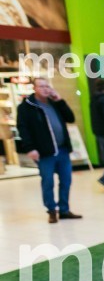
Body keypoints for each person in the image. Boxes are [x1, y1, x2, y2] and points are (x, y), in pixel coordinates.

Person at [16, 77, 81, 223]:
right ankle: (51, 210)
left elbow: (70, 118)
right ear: (34, 88)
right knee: (48, 182)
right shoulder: (26, 107)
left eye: (47, 86)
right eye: (41, 86)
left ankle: (64, 210)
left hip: (62, 150)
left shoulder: (54, 103)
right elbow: (23, 129)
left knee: (66, 181)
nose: (45, 89)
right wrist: (30, 148)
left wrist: (60, 101)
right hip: (45, 152)